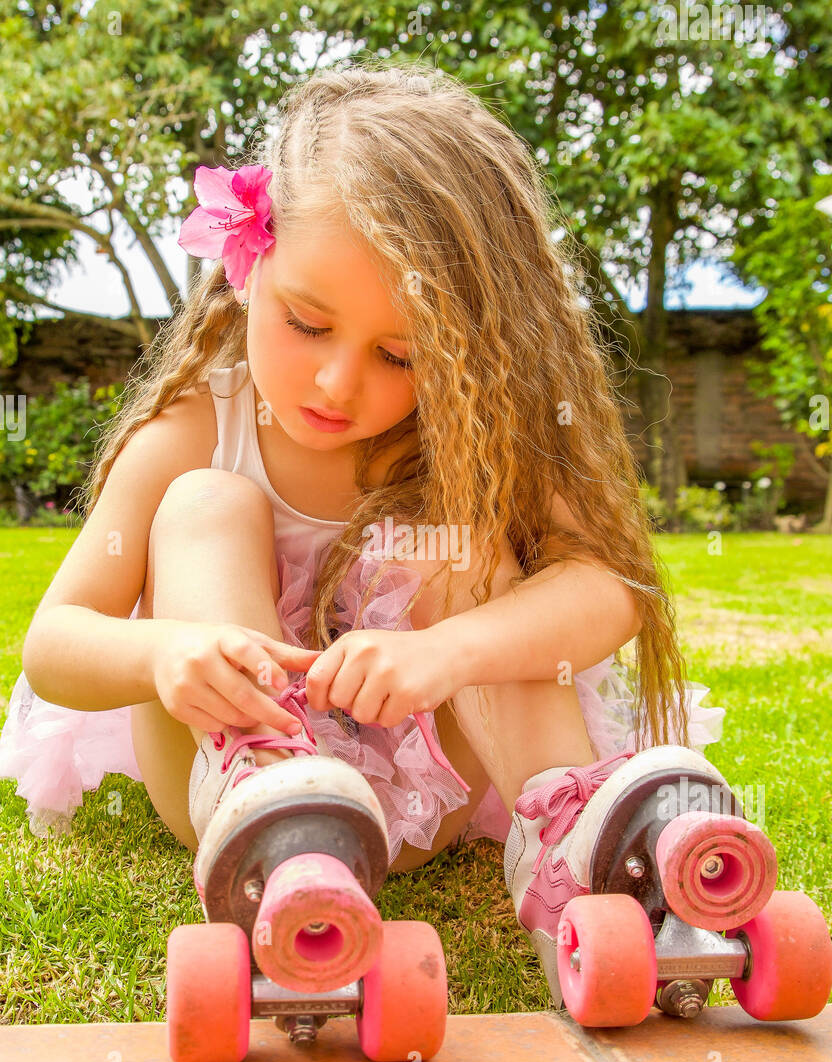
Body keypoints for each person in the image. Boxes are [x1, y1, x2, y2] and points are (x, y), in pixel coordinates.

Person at [0, 63, 723, 1005]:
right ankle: (276, 802)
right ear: (248, 268)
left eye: (399, 355)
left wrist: (447, 653)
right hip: (234, 794)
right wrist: (173, 651)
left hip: (429, 792)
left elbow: (611, 590)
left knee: (462, 541)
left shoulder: (476, 433)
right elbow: (55, 646)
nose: (338, 384)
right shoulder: (190, 427)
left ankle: (572, 853)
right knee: (204, 503)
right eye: (306, 323)